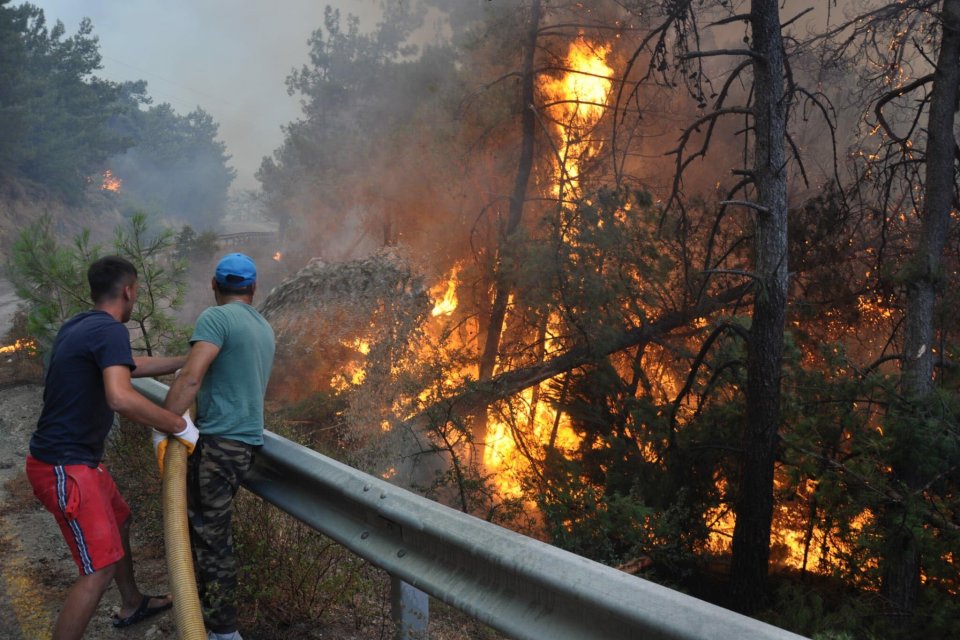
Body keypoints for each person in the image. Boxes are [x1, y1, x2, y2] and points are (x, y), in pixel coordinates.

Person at [25, 255, 199, 640]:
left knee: (120, 519)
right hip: (65, 467)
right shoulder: (109, 331)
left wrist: (187, 362)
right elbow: (120, 397)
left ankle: (132, 601)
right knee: (98, 570)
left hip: (77, 460)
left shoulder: (82, 325)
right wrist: (178, 425)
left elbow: (128, 364)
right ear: (129, 290)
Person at [163, 252, 275, 640]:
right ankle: (210, 621)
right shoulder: (262, 326)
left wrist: (166, 424)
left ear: (214, 285)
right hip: (245, 445)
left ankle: (222, 632)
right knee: (213, 534)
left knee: (211, 540)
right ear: (253, 288)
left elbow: (191, 378)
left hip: (218, 443)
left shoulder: (216, 318)